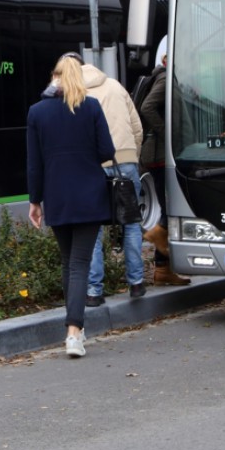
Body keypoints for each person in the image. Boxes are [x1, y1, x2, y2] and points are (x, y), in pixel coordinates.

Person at [27, 53, 116, 359]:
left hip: (57, 197)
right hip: (90, 196)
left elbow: (34, 163)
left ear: (54, 77)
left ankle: (74, 328)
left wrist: (35, 201)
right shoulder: (91, 107)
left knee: (68, 263)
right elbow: (107, 150)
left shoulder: (37, 112)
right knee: (79, 264)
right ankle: (74, 332)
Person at [81, 56, 147, 304]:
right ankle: (137, 284)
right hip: (126, 163)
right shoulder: (116, 86)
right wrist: (132, 157)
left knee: (94, 228)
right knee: (130, 224)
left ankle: (94, 292)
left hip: (94, 166)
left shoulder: (77, 94)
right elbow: (137, 127)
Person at [139, 38, 188, 286]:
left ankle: (162, 269)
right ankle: (157, 237)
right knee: (171, 208)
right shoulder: (164, 77)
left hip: (161, 155)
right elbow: (148, 108)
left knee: (170, 207)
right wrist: (167, 134)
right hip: (160, 156)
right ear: (166, 59)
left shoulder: (169, 78)